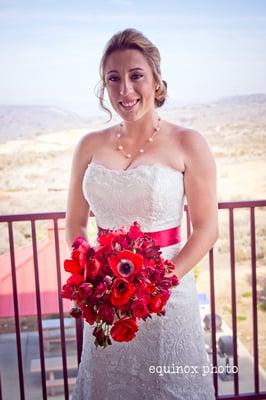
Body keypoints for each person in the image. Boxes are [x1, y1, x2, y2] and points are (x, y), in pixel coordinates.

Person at [66, 28, 218, 400]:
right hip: (105, 299)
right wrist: (90, 273)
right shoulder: (88, 145)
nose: (125, 91)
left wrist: (160, 283)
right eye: (113, 79)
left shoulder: (188, 142)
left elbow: (207, 228)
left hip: (168, 298)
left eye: (136, 76)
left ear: (156, 80)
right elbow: (75, 222)